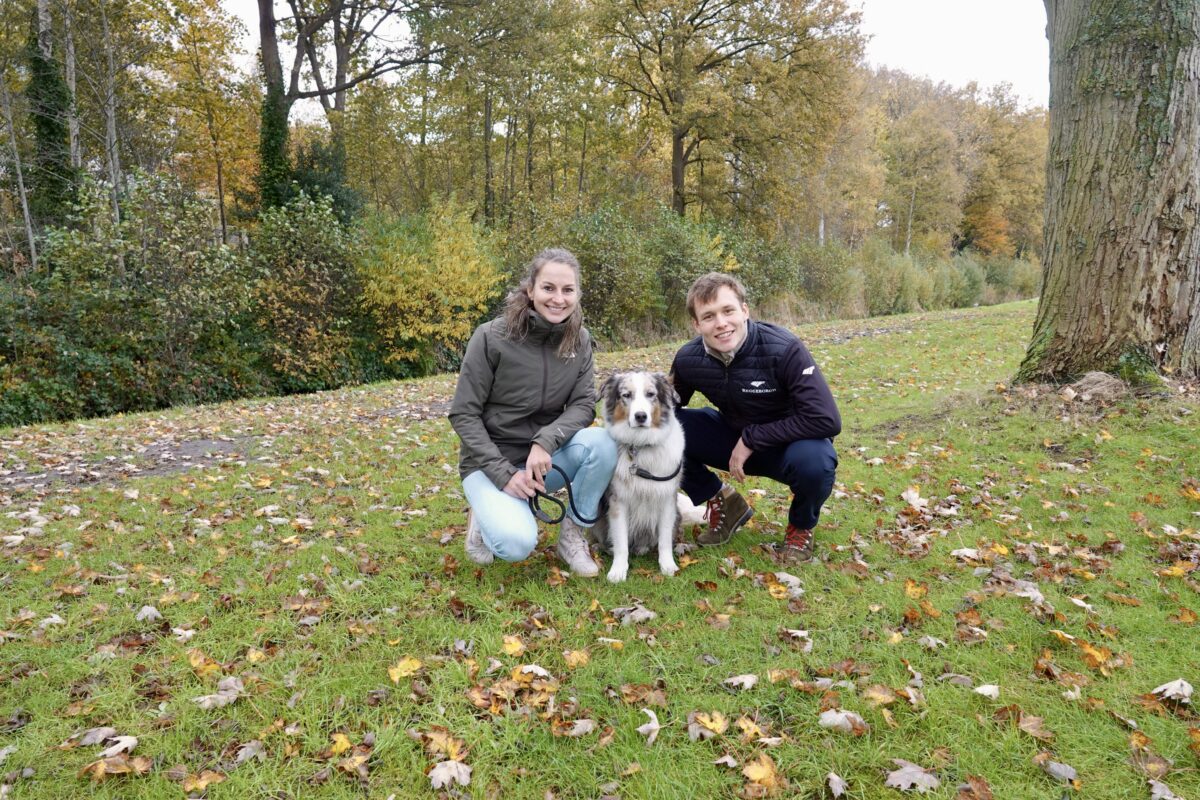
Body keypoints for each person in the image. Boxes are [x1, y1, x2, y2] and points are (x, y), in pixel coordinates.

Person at [448, 248, 616, 576]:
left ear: (578, 293)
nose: (558, 298)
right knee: (515, 546)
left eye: (568, 290)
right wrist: (503, 474)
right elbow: (463, 414)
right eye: (548, 288)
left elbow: (584, 405)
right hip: (488, 465)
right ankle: (482, 515)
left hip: (541, 460)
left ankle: (572, 535)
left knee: (604, 443)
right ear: (530, 290)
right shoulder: (490, 337)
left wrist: (545, 442)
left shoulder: (579, 341)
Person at [669, 273, 840, 563]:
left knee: (817, 462)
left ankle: (800, 527)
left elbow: (826, 420)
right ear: (697, 325)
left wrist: (753, 438)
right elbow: (665, 409)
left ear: (745, 311)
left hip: (791, 447)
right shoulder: (688, 359)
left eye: (728, 310)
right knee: (666, 431)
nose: (721, 323)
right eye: (708, 316)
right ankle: (722, 501)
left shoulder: (785, 348)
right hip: (732, 438)